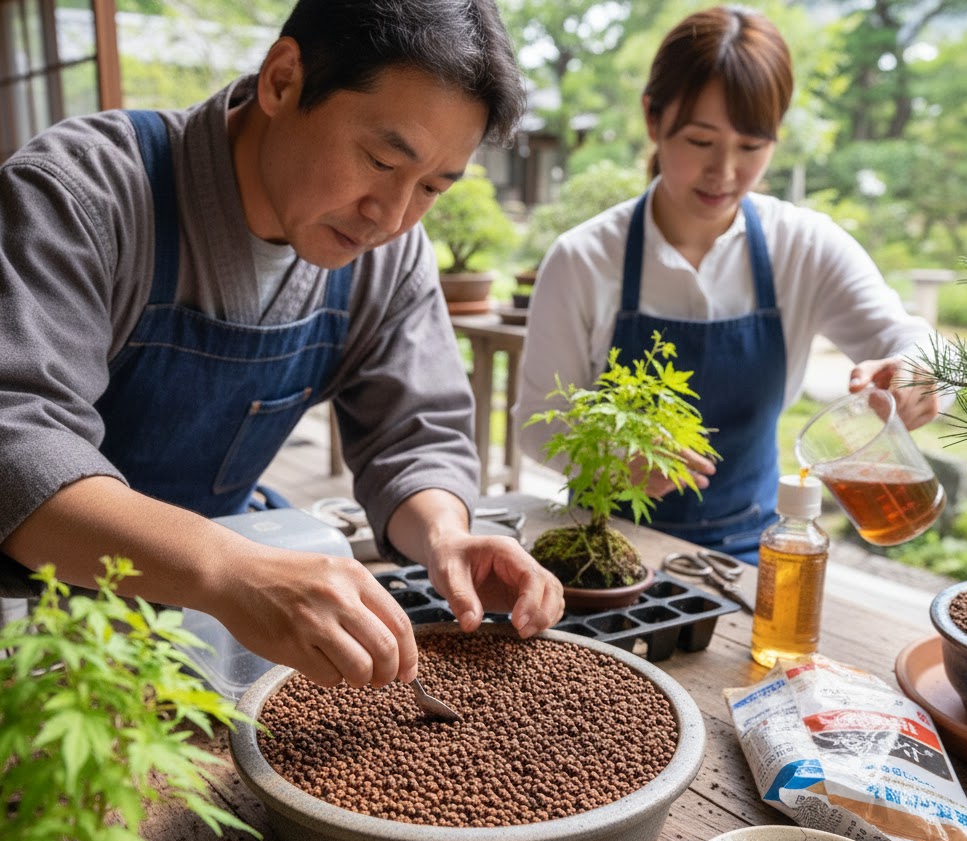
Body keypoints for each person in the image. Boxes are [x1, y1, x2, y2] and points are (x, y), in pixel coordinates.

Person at [0, 0, 563, 687]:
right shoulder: (83, 192)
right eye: (382, 159)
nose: (391, 216)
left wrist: (446, 535)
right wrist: (229, 569)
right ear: (282, 80)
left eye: (432, 188)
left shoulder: (388, 255)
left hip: (214, 607)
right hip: (36, 615)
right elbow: (17, 445)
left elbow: (414, 437)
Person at [515, 5, 947, 563]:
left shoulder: (805, 246)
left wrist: (917, 374)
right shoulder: (584, 259)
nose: (724, 172)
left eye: (750, 147)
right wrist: (610, 456)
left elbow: (914, 340)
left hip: (751, 554)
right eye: (700, 142)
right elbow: (534, 424)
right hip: (605, 549)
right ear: (653, 118)